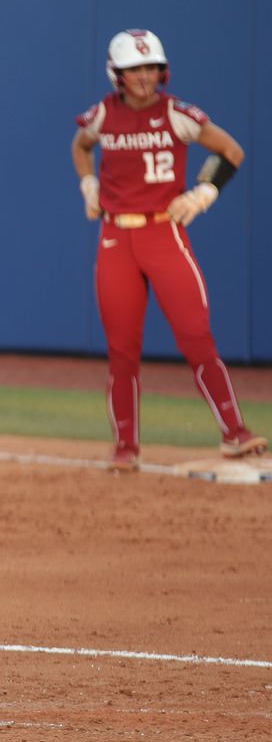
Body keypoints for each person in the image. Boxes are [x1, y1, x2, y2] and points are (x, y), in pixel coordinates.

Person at [70, 30, 266, 471]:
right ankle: (125, 447)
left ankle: (234, 432)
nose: (144, 78)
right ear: (117, 74)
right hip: (117, 236)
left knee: (196, 335)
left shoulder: (178, 114)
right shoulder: (102, 114)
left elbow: (230, 151)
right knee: (122, 348)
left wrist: (203, 194)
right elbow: (81, 146)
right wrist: (89, 184)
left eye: (150, 68)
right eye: (134, 69)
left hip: (164, 232)